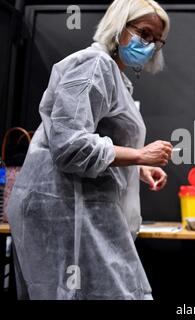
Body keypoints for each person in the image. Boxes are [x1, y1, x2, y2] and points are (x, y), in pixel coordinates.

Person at [8, 0, 172, 299]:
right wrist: (138, 155)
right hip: (66, 208)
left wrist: (138, 166)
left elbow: (96, 141)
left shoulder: (115, 75)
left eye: (156, 41)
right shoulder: (92, 64)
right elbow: (70, 145)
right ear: (119, 26)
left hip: (86, 208)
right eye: (144, 34)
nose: (150, 46)